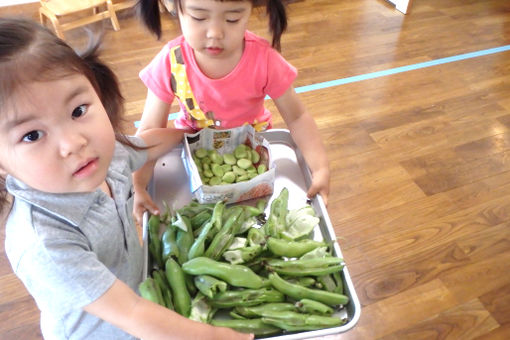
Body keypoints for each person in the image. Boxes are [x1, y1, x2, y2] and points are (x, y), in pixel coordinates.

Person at [0, 17, 252, 340]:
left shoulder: (105, 154)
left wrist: (192, 134)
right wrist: (218, 337)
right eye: (32, 135)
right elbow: (131, 313)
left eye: (78, 111)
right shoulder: (42, 242)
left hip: (139, 298)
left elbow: (148, 143)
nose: (73, 143)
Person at [132, 0, 330, 223]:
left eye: (232, 18)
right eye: (199, 17)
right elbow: (149, 132)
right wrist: (138, 185)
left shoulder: (264, 59)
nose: (215, 33)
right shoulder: (171, 61)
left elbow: (297, 117)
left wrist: (320, 168)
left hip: (252, 153)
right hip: (189, 156)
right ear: (172, 6)